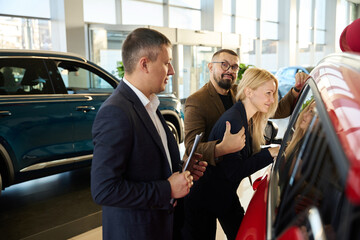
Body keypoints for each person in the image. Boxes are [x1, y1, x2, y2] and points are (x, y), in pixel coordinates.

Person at [91, 28, 207, 240]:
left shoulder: (150, 104)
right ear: (144, 64)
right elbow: (104, 189)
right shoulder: (116, 112)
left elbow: (149, 165)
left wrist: (183, 170)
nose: (171, 70)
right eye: (166, 62)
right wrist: (167, 189)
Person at [182, 68, 280, 240]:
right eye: (268, 93)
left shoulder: (246, 117)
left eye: (274, 93)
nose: (272, 100)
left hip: (223, 195)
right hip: (204, 199)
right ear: (249, 92)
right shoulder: (234, 121)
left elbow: (242, 159)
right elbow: (234, 171)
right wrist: (270, 154)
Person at [184, 49, 308, 167]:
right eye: (224, 64)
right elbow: (191, 148)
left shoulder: (239, 91)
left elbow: (277, 110)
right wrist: (221, 148)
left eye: (234, 67)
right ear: (210, 67)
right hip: (206, 176)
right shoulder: (196, 101)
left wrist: (296, 90)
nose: (229, 70)